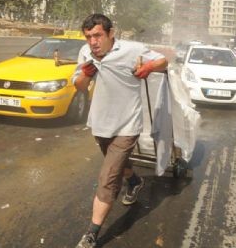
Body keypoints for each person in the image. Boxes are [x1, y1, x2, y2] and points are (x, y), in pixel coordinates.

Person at [72, 14, 168, 248]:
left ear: (111, 33)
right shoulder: (86, 53)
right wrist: (85, 74)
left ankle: (92, 234)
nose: (92, 42)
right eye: (88, 37)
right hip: (100, 123)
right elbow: (79, 85)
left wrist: (148, 66)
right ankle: (134, 181)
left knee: (108, 177)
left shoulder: (132, 49)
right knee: (117, 165)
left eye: (97, 36)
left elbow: (164, 61)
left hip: (127, 124)